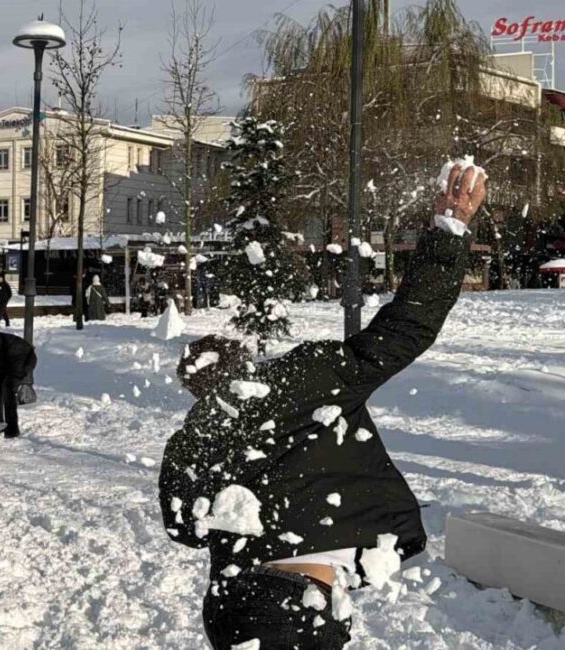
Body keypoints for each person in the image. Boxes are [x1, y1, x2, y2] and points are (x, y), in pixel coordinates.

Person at [157, 161, 485, 649]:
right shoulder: (305, 376)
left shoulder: (195, 435)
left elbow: (185, 526)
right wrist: (448, 230)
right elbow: (405, 328)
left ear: (197, 389)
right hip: (298, 602)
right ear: (245, 357)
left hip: (230, 606)